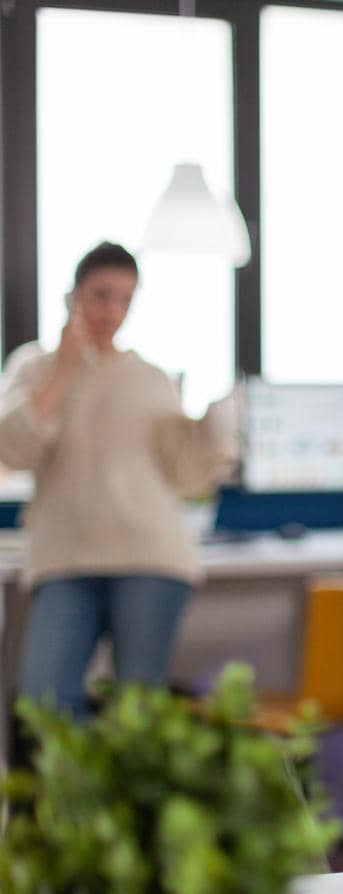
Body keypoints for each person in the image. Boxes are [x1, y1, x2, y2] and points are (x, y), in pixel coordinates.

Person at [0, 242, 238, 719]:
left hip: (151, 555)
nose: (111, 311)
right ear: (73, 295)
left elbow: (186, 477)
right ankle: (82, 795)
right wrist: (66, 369)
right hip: (64, 558)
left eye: (124, 300)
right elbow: (13, 449)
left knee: (137, 709)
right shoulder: (33, 366)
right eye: (100, 295)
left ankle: (118, 795)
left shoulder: (151, 379)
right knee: (45, 701)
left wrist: (215, 430)